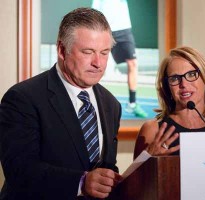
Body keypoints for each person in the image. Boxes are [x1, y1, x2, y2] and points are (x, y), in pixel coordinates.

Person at [0, 8, 122, 199]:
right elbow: (20, 170)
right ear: (62, 50)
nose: (98, 63)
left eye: (104, 52)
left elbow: (104, 172)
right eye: (88, 52)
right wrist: (81, 183)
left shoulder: (111, 104)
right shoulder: (22, 98)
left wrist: (147, 161)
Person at [133, 46, 205, 159]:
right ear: (168, 87)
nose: (183, 84)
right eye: (175, 78)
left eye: (191, 74)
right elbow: (133, 177)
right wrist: (148, 159)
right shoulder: (152, 130)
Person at [92, 0, 148, 118]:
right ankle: (93, 100)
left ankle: (132, 103)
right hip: (105, 29)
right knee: (98, 64)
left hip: (124, 29)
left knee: (132, 64)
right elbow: (94, 10)